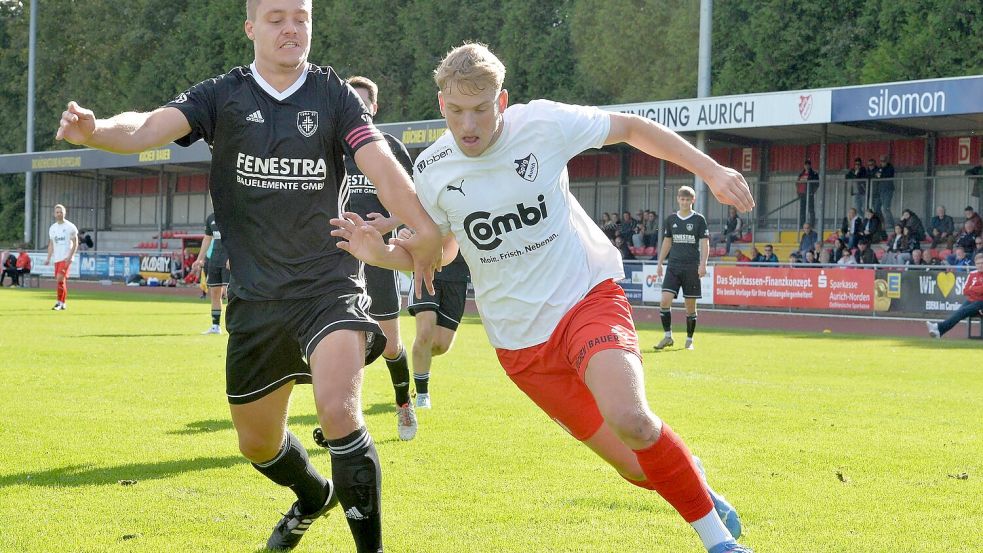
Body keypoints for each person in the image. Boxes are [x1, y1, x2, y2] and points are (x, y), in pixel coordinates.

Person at [331, 42, 753, 553]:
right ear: (442, 105)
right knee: (634, 464)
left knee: (631, 418)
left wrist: (710, 170)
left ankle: (719, 543)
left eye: (481, 110)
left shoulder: (544, 124)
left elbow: (631, 128)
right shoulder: (433, 169)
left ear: (502, 102)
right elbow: (440, 254)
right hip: (520, 345)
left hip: (585, 297)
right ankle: (699, 488)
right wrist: (378, 255)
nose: (469, 124)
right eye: (457, 111)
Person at [55, 1, 443, 550]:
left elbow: (379, 161)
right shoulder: (223, 95)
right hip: (258, 298)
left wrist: (420, 224)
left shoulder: (332, 95)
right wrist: (96, 131)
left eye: (301, 18)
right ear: (251, 28)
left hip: (327, 285)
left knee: (338, 410)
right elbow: (146, 127)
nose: (291, 28)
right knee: (257, 444)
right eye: (277, 18)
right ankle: (312, 496)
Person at [343, 75, 418, 441]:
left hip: (380, 260)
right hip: (338, 261)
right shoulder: (331, 147)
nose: (357, 109)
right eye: (350, 102)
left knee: (390, 346)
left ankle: (404, 403)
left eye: (362, 103)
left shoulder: (388, 147)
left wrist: (391, 220)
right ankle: (343, 422)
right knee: (340, 344)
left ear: (373, 107)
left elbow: (415, 201)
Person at [405, 244, 470, 410]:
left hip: (458, 275)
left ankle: (419, 362)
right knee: (425, 331)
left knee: (440, 345)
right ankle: (422, 395)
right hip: (428, 266)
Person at [653, 186, 708, 351]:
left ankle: (689, 340)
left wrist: (703, 264)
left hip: (691, 267)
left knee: (690, 306)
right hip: (673, 266)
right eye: (682, 199)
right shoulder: (671, 219)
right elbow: (667, 241)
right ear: (678, 199)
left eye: (687, 199)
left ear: (693, 200)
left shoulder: (699, 220)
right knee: (664, 301)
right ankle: (668, 336)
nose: (684, 202)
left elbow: (705, 243)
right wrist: (660, 262)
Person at [926, 252, 983, 338]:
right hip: (971, 301)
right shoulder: (972, 274)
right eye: (978, 263)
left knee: (961, 312)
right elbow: (965, 291)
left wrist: (972, 289)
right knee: (958, 313)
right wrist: (976, 290)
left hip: (981, 302)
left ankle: (938, 327)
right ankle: (939, 332)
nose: (980, 265)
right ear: (975, 264)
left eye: (982, 263)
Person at [191, 212, 230, 335]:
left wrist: (233, 256)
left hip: (228, 260)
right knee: (214, 293)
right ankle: (215, 326)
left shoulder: (233, 214)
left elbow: (239, 238)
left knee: (229, 294)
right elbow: (207, 239)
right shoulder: (211, 218)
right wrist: (199, 259)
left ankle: (234, 327)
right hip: (214, 259)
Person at [44, 204, 78, 310]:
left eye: (61, 212)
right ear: (54, 214)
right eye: (57, 212)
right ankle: (63, 303)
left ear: (65, 213)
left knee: (59, 278)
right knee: (60, 280)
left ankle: (59, 302)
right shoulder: (52, 228)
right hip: (57, 258)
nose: (59, 214)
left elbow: (76, 243)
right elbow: (51, 244)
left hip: (66, 257)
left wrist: (70, 256)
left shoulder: (70, 227)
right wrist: (48, 258)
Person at [795, 159, 819, 228]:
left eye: (808, 165)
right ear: (804, 165)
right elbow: (797, 183)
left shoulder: (814, 174)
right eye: (805, 165)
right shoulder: (801, 174)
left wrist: (812, 192)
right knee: (802, 210)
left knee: (811, 209)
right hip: (802, 194)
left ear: (810, 165)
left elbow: (816, 184)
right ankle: (802, 225)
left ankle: (812, 225)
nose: (806, 166)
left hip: (809, 194)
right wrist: (798, 192)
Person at [872, 155, 895, 227]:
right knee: (876, 208)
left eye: (884, 161)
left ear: (887, 161)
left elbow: (887, 175)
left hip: (887, 190)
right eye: (881, 161)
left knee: (886, 207)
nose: (882, 162)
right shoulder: (879, 168)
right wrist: (880, 169)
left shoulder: (890, 167)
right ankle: (881, 222)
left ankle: (890, 223)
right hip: (879, 190)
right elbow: (877, 176)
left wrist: (882, 170)